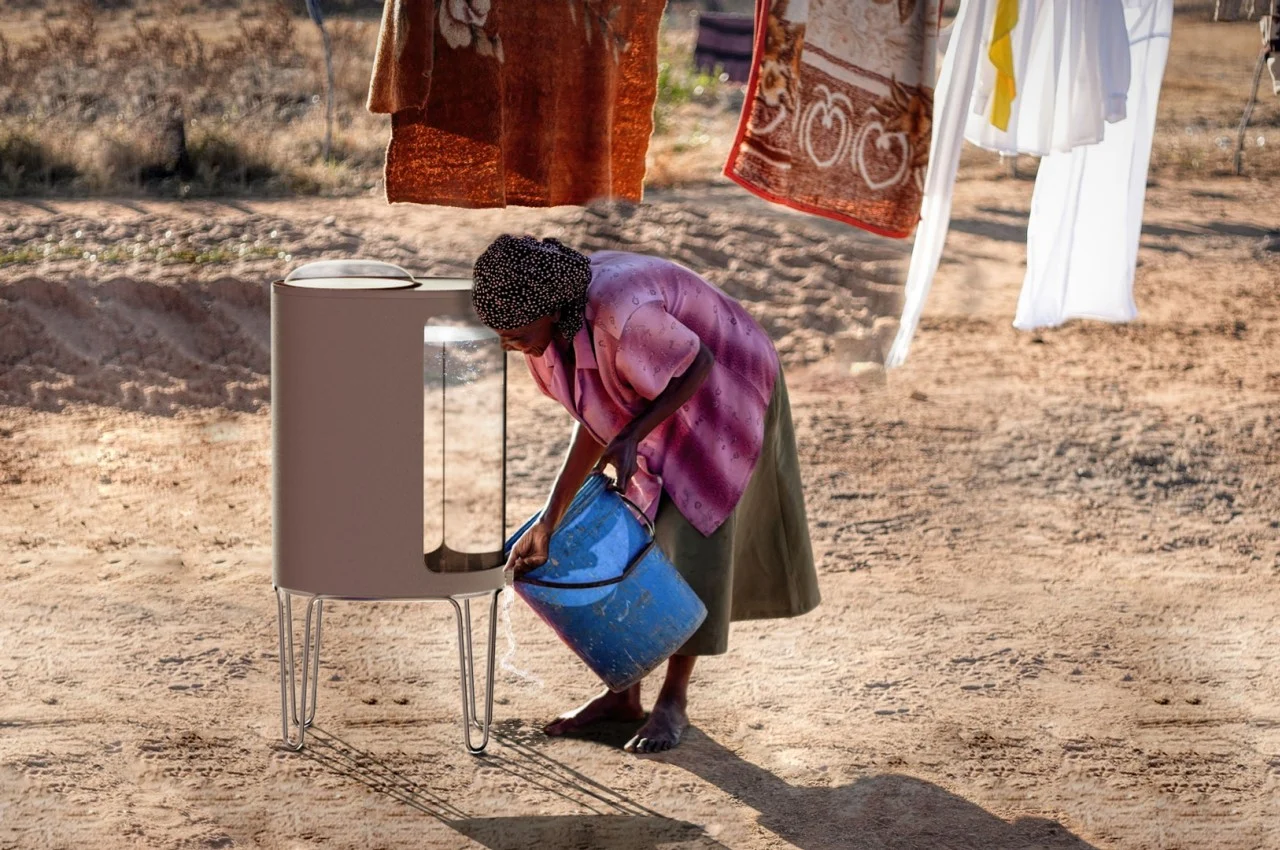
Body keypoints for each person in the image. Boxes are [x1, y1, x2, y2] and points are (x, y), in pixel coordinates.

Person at [472, 234, 820, 754]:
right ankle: (624, 695)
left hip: (722, 377)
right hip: (659, 383)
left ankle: (672, 700)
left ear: (551, 310)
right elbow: (595, 417)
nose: (509, 345)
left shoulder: (622, 314)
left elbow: (697, 364)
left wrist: (633, 435)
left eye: (516, 334)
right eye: (501, 336)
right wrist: (550, 519)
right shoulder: (542, 336)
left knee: (688, 535)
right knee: (623, 532)